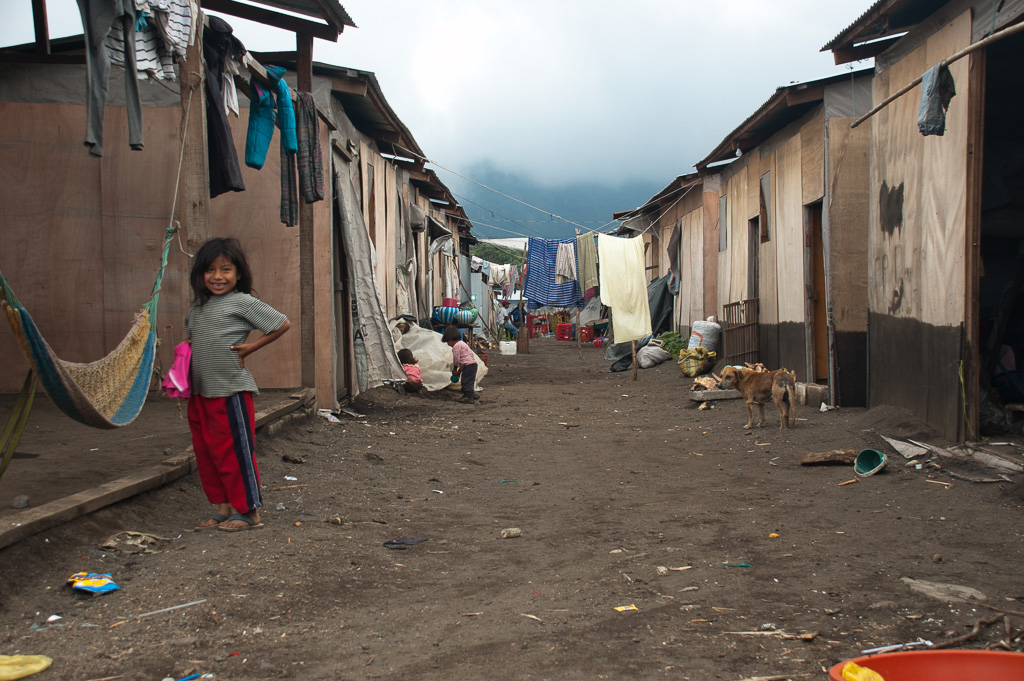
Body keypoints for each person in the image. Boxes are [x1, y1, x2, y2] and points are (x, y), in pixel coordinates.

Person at [186, 237, 291, 532]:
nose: (217, 277)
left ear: (238, 274)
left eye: (226, 270)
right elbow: (193, 340)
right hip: (199, 392)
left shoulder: (242, 302)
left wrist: (250, 348)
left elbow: (281, 323)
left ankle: (248, 511)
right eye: (210, 270)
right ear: (200, 274)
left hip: (230, 390)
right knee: (207, 451)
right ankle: (223, 506)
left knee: (234, 450)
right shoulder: (197, 308)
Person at [443, 325, 479, 404]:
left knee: (465, 382)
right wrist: (459, 371)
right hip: (472, 365)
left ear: (451, 339)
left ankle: (469, 397)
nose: (448, 344)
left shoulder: (456, 346)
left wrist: (455, 368)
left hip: (468, 366)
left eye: (448, 342)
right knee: (469, 381)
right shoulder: (462, 343)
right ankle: (470, 394)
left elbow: (456, 359)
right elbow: (465, 360)